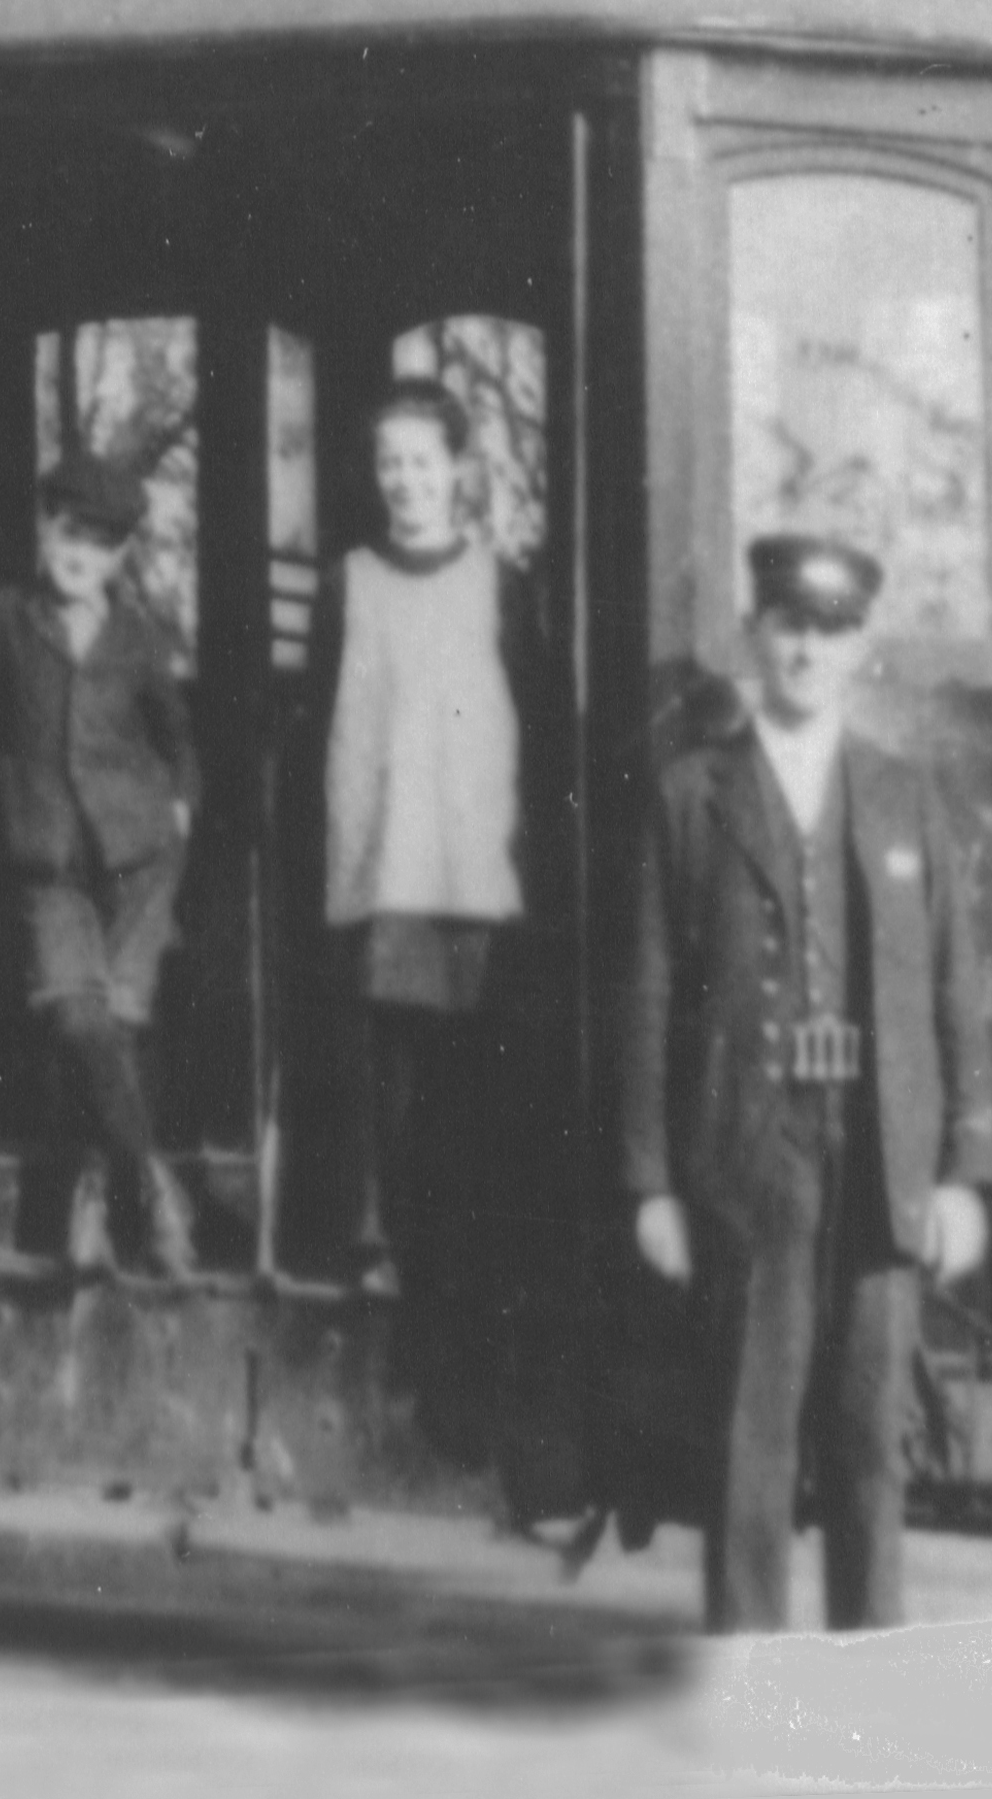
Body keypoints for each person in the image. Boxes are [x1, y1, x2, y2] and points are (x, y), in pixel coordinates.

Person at [616, 534, 992, 1633]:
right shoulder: (692, 796)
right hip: (749, 1156)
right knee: (750, 1452)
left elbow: (955, 995)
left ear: (860, 649)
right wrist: (649, 1184)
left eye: (831, 632)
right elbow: (647, 996)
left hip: (884, 1161)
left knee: (872, 1452)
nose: (807, 650)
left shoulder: (905, 797)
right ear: (755, 634)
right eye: (788, 625)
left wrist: (967, 1174)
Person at [0, 447, 201, 1277]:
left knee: (118, 1032)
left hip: (138, 864)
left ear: (121, 553)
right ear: (45, 530)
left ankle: (98, 1197)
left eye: (98, 540)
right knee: (80, 1022)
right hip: (48, 863)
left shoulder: (139, 635)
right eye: (67, 531)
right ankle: (151, 1185)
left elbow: (177, 738)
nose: (78, 552)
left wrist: (181, 806)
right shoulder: (5, 620)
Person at [314, 378, 542, 1295]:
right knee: (387, 1068)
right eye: (389, 463)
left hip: (475, 864)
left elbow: (534, 723)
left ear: (457, 472)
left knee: (473, 1066)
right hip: (383, 861)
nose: (404, 481)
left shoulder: (503, 588)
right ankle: (379, 1242)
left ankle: (466, 1252)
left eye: (421, 462)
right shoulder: (349, 584)